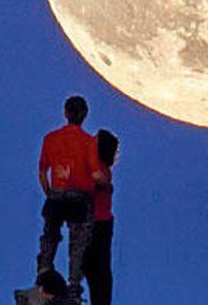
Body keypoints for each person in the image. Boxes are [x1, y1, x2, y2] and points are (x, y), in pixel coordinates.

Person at [37, 96, 105, 299]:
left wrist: (49, 191)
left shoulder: (50, 138)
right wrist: (106, 185)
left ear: (65, 112)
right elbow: (95, 173)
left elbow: (42, 172)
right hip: (80, 198)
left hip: (56, 195)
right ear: (84, 116)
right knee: (78, 243)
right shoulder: (89, 142)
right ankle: (74, 286)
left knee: (50, 237)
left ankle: (42, 275)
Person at [83, 129, 119, 305]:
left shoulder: (99, 171)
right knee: (99, 268)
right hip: (102, 222)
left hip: (97, 223)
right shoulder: (103, 170)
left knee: (93, 267)